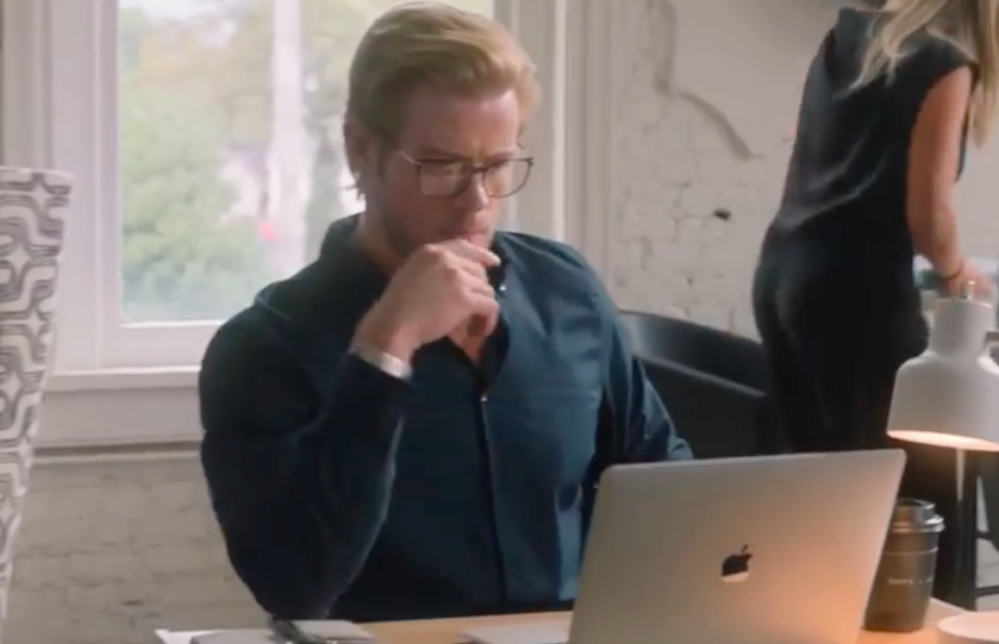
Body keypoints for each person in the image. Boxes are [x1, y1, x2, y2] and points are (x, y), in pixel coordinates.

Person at [198, 2, 691, 623]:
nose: (476, 201)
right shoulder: (264, 349)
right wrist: (385, 347)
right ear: (360, 149)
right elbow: (295, 587)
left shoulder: (567, 291)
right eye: (443, 167)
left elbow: (665, 483)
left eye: (497, 166)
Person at [751, 0, 999, 605]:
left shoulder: (845, 38)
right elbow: (929, 214)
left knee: (823, 482)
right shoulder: (944, 62)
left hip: (785, 272)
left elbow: (808, 164)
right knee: (915, 492)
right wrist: (958, 272)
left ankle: (812, 615)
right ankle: (927, 624)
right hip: (856, 292)